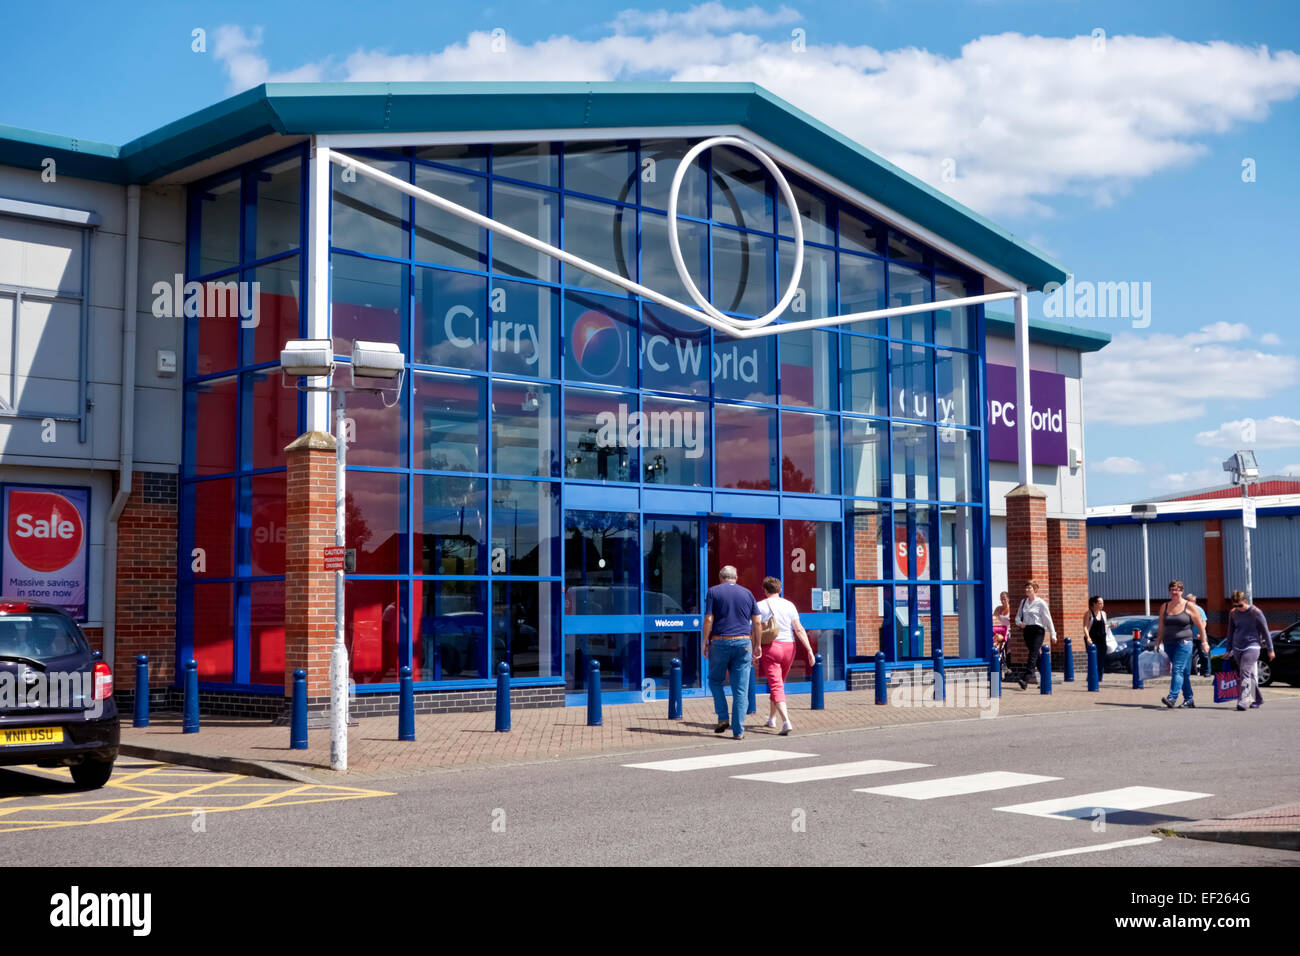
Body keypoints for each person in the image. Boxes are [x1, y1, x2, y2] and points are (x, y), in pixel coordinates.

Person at [702, 565, 761, 739]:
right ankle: (738, 731)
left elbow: (708, 619)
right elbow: (757, 622)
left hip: (720, 642)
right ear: (736, 577)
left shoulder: (713, 592)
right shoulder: (748, 593)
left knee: (714, 681)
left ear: (721, 577)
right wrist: (757, 644)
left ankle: (722, 717)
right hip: (744, 643)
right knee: (740, 689)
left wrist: (704, 641)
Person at [756, 577, 816, 736]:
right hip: (789, 648)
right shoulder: (790, 605)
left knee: (776, 686)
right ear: (779, 590)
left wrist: (754, 648)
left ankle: (786, 721)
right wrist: (809, 650)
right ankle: (771, 718)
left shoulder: (760, 606)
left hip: (771, 648)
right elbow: (799, 629)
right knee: (778, 684)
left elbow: (754, 629)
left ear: (765, 590)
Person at [1156, 580, 1210, 708]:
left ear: (1182, 591)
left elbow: (1201, 626)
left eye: (1177, 589)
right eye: (1172, 590)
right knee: (1184, 672)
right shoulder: (1165, 606)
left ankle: (1172, 697)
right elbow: (1161, 626)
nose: (1174, 592)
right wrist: (1158, 642)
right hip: (1169, 643)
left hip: (1184, 643)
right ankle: (1189, 699)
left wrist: (1204, 642)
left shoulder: (1189, 606)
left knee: (1177, 669)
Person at [1225, 590, 1274, 711]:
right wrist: (1228, 649)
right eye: (1235, 605)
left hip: (1252, 646)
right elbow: (1230, 632)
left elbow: (1266, 632)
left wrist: (1270, 649)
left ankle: (1242, 699)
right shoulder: (1233, 613)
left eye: (1240, 605)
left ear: (1245, 601)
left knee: (1244, 671)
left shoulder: (1256, 612)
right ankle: (1258, 698)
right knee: (1248, 674)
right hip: (1237, 646)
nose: (1238, 608)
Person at [1014, 581, 1056, 690]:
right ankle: (1046, 679)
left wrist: (1053, 634)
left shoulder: (1041, 603)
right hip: (1027, 630)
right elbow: (1017, 617)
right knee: (1036, 657)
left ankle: (1025, 678)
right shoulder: (1023, 602)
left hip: (1038, 630)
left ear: (1035, 590)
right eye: (1026, 588)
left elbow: (1048, 618)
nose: (1027, 590)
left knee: (1033, 654)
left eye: (1030, 588)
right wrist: (1020, 623)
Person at [1082, 595, 1109, 682]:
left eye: (1102, 603)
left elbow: (1104, 626)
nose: (1102, 605)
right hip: (1092, 640)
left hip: (1102, 640)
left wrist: (1111, 626)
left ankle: (1099, 679)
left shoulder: (1103, 614)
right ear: (1094, 604)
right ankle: (1091, 678)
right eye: (1100, 603)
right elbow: (1085, 627)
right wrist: (1088, 638)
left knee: (1101, 660)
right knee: (1093, 659)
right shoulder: (1088, 614)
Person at [1186, 593, 1210, 675]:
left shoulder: (1199, 609)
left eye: (1189, 601)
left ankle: (1206, 672)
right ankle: (1188, 672)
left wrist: (1201, 633)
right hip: (1190, 637)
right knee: (1188, 654)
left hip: (1200, 636)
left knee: (1203, 654)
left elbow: (1204, 622)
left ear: (1193, 601)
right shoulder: (1185, 610)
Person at [992, 592, 1011, 675]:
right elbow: (993, 618)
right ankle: (997, 667)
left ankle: (1008, 666)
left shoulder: (1011, 609)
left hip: (1009, 631)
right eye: (1001, 598)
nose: (1003, 600)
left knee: (1008, 646)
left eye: (1004, 598)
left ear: (1008, 598)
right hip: (1002, 630)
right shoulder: (998, 609)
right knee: (995, 642)